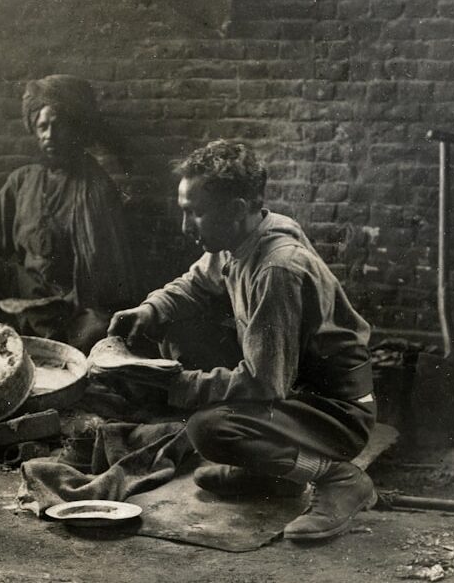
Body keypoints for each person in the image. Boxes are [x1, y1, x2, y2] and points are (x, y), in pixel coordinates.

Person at [107, 139, 377, 541]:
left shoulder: (276, 269)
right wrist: (151, 309)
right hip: (296, 388)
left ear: (235, 210)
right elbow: (196, 283)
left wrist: (177, 384)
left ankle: (337, 477)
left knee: (210, 429)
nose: (185, 226)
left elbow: (264, 383)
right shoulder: (241, 237)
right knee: (176, 326)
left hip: (335, 411)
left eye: (196, 213)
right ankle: (272, 472)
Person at [0, 74, 138, 352]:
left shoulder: (95, 188)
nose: (49, 135)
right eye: (42, 126)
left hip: (70, 304)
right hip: (22, 289)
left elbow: (107, 275)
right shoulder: (22, 180)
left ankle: (41, 337)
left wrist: (73, 304)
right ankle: (3, 327)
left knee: (98, 331)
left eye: (58, 125)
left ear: (75, 127)